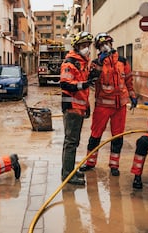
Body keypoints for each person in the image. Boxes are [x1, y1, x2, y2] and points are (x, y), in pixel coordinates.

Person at [79, 32, 137, 176]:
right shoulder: (95, 63)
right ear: (98, 48)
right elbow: (92, 79)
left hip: (120, 106)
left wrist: (132, 95)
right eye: (101, 45)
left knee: (117, 137)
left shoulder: (122, 62)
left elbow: (129, 80)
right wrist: (99, 63)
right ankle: (90, 162)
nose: (105, 47)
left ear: (111, 43)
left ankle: (114, 166)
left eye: (107, 43)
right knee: (96, 135)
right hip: (103, 106)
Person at [60, 31, 96, 185]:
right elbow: (65, 84)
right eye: (83, 45)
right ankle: (68, 175)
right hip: (72, 108)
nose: (86, 48)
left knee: (74, 142)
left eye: (88, 45)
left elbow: (83, 91)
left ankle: (69, 171)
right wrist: (85, 84)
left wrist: (86, 106)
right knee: (70, 142)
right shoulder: (70, 63)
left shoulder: (82, 63)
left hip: (79, 108)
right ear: (76, 46)